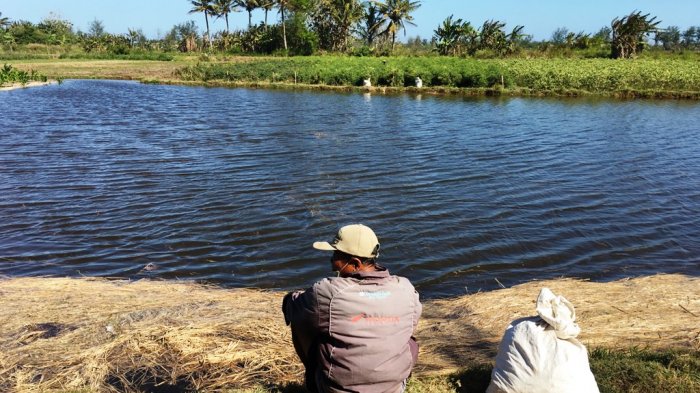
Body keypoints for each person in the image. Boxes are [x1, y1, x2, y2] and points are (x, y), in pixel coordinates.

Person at [282, 224, 422, 393]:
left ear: (355, 263)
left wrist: (294, 297)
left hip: (339, 390)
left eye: (335, 255)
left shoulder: (328, 292)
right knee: (408, 338)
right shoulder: (406, 288)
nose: (332, 262)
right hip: (395, 387)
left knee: (301, 319)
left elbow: (291, 307)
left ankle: (315, 384)